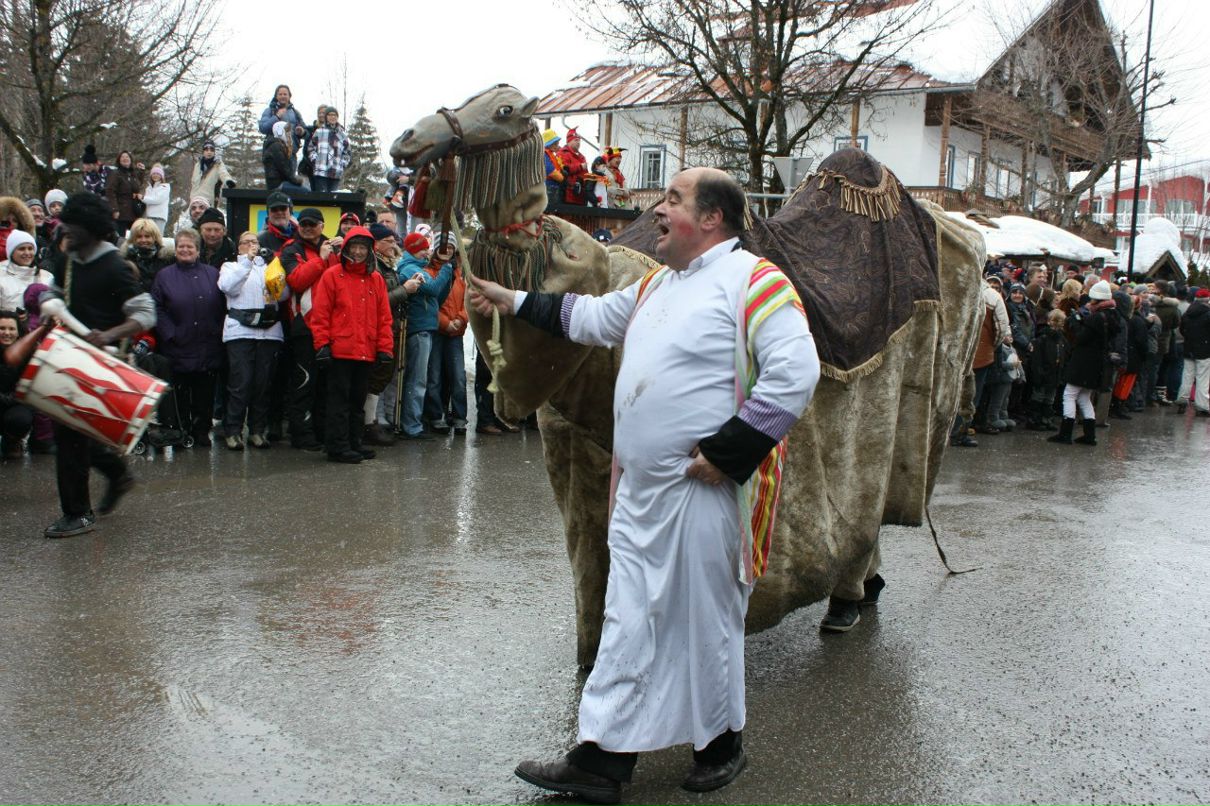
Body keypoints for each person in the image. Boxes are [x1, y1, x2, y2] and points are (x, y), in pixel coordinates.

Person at [472, 167, 819, 803]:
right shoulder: (658, 284)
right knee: (627, 615)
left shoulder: (755, 280)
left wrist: (730, 452)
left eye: (673, 199)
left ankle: (721, 743)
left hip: (703, 491)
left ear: (712, 218)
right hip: (638, 493)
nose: (657, 210)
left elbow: (797, 372)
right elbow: (589, 316)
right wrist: (510, 299)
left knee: (705, 621)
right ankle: (603, 759)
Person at [43, 193, 156, 538]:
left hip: (100, 364)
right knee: (70, 435)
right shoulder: (67, 261)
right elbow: (52, 296)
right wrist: (49, 301)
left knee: (71, 436)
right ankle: (115, 474)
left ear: (91, 229)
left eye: (73, 226)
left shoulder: (114, 267)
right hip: (66, 356)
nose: (66, 231)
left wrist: (107, 336)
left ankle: (78, 513)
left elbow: (145, 313)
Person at [308, 226, 392, 463]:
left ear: (369, 250)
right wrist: (322, 344)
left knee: (358, 400)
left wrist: (385, 348)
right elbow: (320, 313)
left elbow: (383, 317)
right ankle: (337, 445)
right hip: (340, 350)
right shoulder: (332, 275)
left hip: (365, 350)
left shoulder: (375, 279)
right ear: (345, 248)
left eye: (362, 248)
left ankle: (355, 441)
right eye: (353, 247)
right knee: (338, 401)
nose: (357, 252)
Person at [149, 228, 225, 446]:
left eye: (189, 246)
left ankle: (202, 431)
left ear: (198, 251)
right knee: (180, 393)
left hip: (207, 344)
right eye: (181, 246)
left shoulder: (212, 273)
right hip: (178, 344)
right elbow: (157, 307)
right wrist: (170, 333)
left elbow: (223, 305)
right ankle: (181, 431)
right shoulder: (164, 276)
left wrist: (217, 329)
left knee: (205, 392)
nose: (185, 250)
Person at [218, 232, 288, 449]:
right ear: (238, 246)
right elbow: (228, 287)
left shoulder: (270, 266)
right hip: (240, 331)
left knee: (263, 384)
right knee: (241, 383)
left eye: (254, 242)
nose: (251, 246)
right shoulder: (230, 266)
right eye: (246, 242)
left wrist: (273, 269)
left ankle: (257, 430)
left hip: (269, 332)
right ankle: (233, 430)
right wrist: (247, 261)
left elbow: (283, 295)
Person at [280, 207, 335, 450]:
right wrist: (321, 260)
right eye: (304, 223)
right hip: (303, 327)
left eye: (313, 223)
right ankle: (301, 433)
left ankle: (323, 432)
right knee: (304, 381)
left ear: (322, 225)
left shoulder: (334, 248)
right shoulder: (291, 249)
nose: (308, 227)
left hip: (331, 326)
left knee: (326, 383)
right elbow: (297, 279)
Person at [364, 222, 419, 443]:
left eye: (394, 241)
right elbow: (378, 301)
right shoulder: (373, 266)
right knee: (376, 376)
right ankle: (369, 423)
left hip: (391, 327)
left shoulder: (388, 265)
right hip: (378, 329)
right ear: (375, 243)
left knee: (383, 375)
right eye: (388, 241)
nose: (393, 245)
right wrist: (404, 290)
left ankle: (373, 422)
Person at [397, 233, 453, 440]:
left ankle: (413, 423)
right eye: (423, 248)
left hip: (425, 327)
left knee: (419, 378)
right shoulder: (409, 269)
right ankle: (411, 425)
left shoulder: (419, 268)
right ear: (413, 248)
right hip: (418, 328)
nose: (427, 251)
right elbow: (431, 288)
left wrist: (448, 276)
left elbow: (438, 295)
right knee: (417, 380)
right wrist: (447, 269)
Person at [1050, 280, 1116, 446]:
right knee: (1084, 397)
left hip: (1083, 362)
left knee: (1070, 395)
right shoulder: (1112, 316)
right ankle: (1089, 434)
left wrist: (1076, 323)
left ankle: (1065, 433)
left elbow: (1081, 339)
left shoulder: (1096, 318)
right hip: (1097, 363)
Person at [425, 237, 468, 434]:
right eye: (444, 247)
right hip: (437, 331)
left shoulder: (460, 274)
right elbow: (431, 304)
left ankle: (460, 417)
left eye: (451, 247)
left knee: (458, 376)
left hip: (455, 333)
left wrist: (461, 319)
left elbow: (467, 302)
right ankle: (436, 415)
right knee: (434, 376)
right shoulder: (429, 273)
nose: (448, 251)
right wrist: (445, 323)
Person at [0, 310, 34, 459]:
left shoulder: (29, 353)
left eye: (11, 329)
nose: (7, 333)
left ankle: (11, 441)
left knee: (20, 419)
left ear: (18, 331)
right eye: (2, 328)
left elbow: (28, 388)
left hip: (15, 403)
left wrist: (6, 399)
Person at [1176, 288, 1210, 416]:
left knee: (1187, 375)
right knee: (1202, 378)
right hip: (1205, 350)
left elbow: (1182, 329)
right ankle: (1202, 406)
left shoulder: (1188, 313)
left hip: (1189, 348)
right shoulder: (1208, 314)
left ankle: (1182, 399)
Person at [0, 230, 53, 311]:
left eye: (30, 248)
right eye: (22, 249)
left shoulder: (47, 276)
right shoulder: (1, 275)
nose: (27, 252)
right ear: (11, 252)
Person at [121, 218, 174, 293]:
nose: (143, 240)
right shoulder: (126, 259)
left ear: (155, 237)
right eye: (139, 237)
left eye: (147, 236)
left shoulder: (165, 259)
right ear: (133, 238)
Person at [306, 106, 350, 193]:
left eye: (334, 115)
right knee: (321, 197)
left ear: (337, 117)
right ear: (326, 117)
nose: (332, 117)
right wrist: (315, 160)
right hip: (321, 171)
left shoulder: (342, 134)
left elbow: (347, 152)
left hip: (336, 171)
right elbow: (311, 148)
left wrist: (343, 164)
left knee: (333, 199)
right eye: (330, 115)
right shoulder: (319, 131)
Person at [258, 85, 306, 157]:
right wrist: (276, 116)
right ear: (276, 96)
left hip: (291, 154)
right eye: (280, 94)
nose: (282, 96)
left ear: (289, 96)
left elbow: (305, 133)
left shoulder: (296, 113)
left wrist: (302, 132)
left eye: (285, 94)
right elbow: (263, 128)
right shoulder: (269, 111)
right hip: (272, 154)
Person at [105, 150, 145, 237]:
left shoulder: (132, 174)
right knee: (119, 238)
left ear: (131, 160)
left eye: (127, 157)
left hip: (133, 212)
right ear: (119, 160)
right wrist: (114, 209)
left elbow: (137, 186)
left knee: (137, 237)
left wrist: (141, 172)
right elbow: (110, 191)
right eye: (122, 157)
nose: (125, 158)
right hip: (120, 212)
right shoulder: (115, 173)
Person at [189, 141, 236, 209]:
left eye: (211, 150)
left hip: (209, 202)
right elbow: (193, 183)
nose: (209, 152)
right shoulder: (198, 165)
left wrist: (228, 181)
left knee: (208, 219)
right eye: (206, 150)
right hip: (195, 201)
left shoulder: (218, 164)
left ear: (214, 152)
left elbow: (224, 173)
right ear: (203, 152)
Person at [264, 121, 306, 192]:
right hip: (277, 184)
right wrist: (298, 181)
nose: (289, 134)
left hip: (280, 182)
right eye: (287, 132)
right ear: (280, 132)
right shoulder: (276, 147)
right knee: (305, 192)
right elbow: (285, 170)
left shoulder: (279, 145)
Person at [257, 191, 296, 255]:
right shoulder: (260, 239)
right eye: (274, 209)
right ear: (268, 213)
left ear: (290, 211)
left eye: (283, 208)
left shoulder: (301, 235)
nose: (279, 212)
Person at [558, 128, 590, 205]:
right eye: (576, 140)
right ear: (569, 141)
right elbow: (564, 169)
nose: (578, 142)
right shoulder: (562, 153)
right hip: (569, 195)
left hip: (581, 196)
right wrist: (580, 167)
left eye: (579, 141)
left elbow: (586, 175)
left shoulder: (582, 157)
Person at [142, 164, 171, 233]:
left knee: (157, 237)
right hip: (149, 216)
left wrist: (143, 198)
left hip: (159, 217)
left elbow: (157, 199)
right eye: (154, 173)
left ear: (161, 176)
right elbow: (147, 201)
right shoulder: (148, 188)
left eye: (158, 173)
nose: (155, 175)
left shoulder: (165, 187)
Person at [543, 129, 564, 209]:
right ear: (549, 144)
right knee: (549, 211)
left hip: (553, 188)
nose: (557, 145)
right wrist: (562, 178)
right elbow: (551, 171)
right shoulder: (544, 154)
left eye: (557, 143)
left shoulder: (551, 154)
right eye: (555, 143)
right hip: (548, 188)